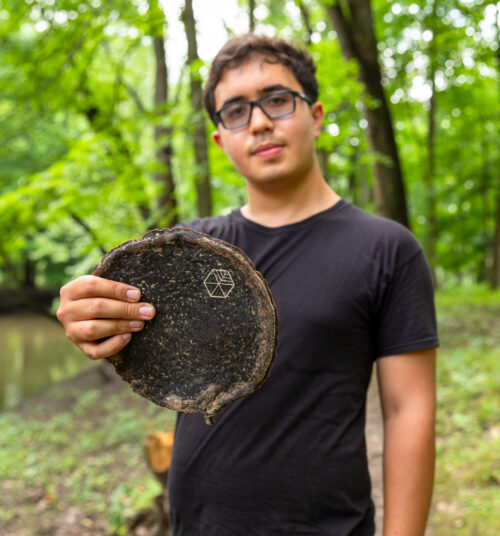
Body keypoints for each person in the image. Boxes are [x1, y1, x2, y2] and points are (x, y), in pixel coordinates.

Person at [57, 34, 438, 536]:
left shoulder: (387, 249)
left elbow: (407, 409)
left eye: (277, 100)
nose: (259, 122)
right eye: (235, 111)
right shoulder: (184, 252)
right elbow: (129, 330)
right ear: (220, 139)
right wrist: (89, 317)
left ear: (316, 114)